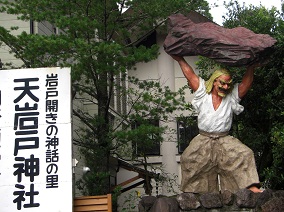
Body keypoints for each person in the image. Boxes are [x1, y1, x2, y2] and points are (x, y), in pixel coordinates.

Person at [171, 55, 263, 194]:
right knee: (188, 158)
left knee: (245, 154)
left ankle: (249, 186)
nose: (225, 87)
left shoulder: (231, 96)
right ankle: (194, 194)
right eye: (222, 83)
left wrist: (251, 67)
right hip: (203, 138)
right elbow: (190, 76)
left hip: (224, 139)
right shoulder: (202, 93)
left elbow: (245, 84)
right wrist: (180, 59)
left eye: (228, 84)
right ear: (214, 81)